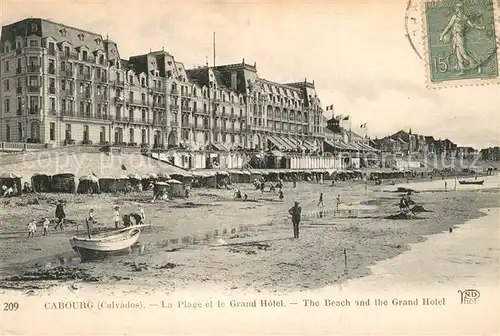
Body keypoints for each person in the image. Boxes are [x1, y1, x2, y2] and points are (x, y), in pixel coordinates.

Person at [439, 3, 486, 75]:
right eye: (456, 8)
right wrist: (442, 35)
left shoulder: (463, 17)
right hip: (455, 36)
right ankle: (462, 70)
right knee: (458, 54)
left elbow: (472, 25)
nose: (457, 9)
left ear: (460, 9)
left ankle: (476, 64)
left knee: (463, 54)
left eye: (458, 8)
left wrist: (480, 28)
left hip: (460, 36)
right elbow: (448, 26)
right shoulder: (456, 17)